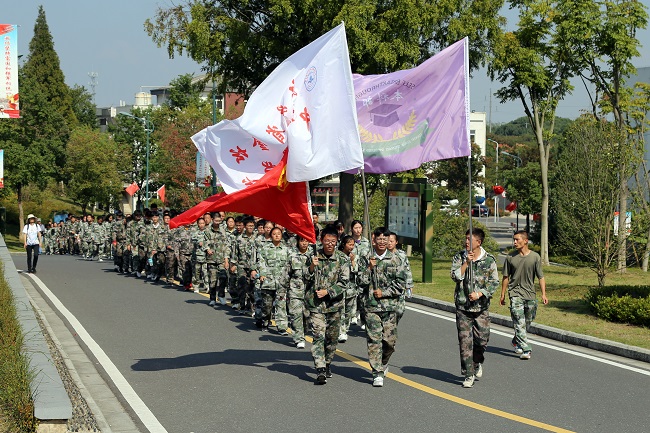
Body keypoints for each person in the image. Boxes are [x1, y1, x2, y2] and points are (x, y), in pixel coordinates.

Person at [357, 227, 407, 387]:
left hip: (390, 307)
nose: (382, 242)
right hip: (371, 307)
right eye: (379, 239)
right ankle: (377, 372)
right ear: (374, 240)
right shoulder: (366, 258)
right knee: (374, 340)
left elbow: (400, 284)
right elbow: (359, 281)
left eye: (385, 239)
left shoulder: (396, 259)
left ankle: (383, 361)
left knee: (390, 342)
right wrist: (369, 268)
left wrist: (384, 292)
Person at [451, 228, 499, 388]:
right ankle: (468, 374)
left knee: (482, 340)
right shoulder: (459, 257)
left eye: (469, 239)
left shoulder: (489, 260)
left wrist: (480, 293)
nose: (466, 242)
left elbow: (494, 282)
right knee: (465, 342)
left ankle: (476, 362)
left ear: (479, 242)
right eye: (465, 239)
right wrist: (466, 263)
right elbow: (455, 276)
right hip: (463, 307)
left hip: (481, 307)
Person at [305, 225, 348, 384]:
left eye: (333, 241)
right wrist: (311, 267)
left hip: (334, 305)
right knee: (318, 336)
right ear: (321, 240)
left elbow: (344, 282)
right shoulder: (314, 256)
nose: (330, 244)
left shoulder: (342, 259)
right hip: (316, 305)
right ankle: (320, 368)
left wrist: (328, 292)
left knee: (331, 339)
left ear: (337, 242)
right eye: (327, 241)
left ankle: (327, 362)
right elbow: (304, 277)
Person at [500, 230, 548, 360]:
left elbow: (541, 277)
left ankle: (516, 341)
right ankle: (527, 349)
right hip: (515, 293)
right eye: (514, 240)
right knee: (518, 320)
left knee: (527, 321)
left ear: (525, 241)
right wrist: (503, 294)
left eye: (517, 239)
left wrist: (544, 294)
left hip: (530, 294)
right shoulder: (510, 257)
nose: (515, 242)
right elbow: (505, 277)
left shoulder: (535, 257)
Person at [253, 227, 290, 332]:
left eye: (279, 234)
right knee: (267, 305)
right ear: (271, 236)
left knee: (281, 305)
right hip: (268, 281)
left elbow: (289, 264)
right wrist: (262, 274)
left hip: (281, 282)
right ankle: (265, 320)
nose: (277, 235)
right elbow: (261, 262)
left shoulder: (286, 249)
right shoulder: (265, 248)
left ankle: (282, 327)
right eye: (274, 234)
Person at [288, 235, 313, 348]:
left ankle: (304, 331)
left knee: (307, 316)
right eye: (302, 240)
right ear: (298, 241)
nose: (304, 243)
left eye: (306, 241)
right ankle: (299, 338)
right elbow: (286, 274)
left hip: (309, 291)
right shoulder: (292, 255)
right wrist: (282, 291)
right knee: (296, 315)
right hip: (295, 290)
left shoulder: (313, 255)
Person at [337, 235, 358, 342]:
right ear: (344, 244)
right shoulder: (338, 255)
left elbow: (356, 271)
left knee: (348, 312)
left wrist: (353, 261)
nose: (351, 247)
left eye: (353, 245)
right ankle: (341, 332)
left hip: (351, 289)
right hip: (340, 289)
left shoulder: (354, 256)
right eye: (349, 244)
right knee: (340, 311)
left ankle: (345, 329)